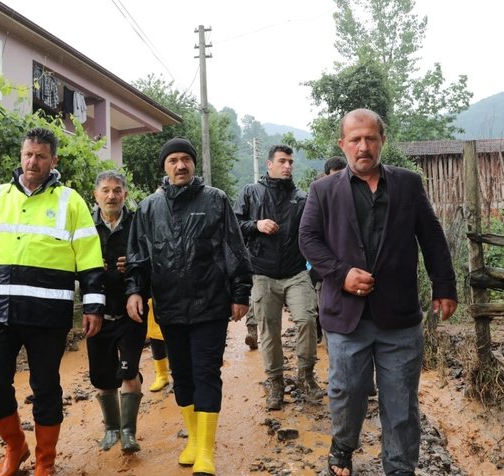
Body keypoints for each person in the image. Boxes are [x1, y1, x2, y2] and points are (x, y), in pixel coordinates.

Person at [299, 108, 457, 476]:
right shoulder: (323, 190)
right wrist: (341, 274)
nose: (363, 146)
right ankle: (342, 446)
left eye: (370, 138)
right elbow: (308, 239)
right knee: (347, 392)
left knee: (401, 400)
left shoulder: (407, 184)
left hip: (398, 316)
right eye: (355, 140)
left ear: (382, 141)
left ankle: (399, 467)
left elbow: (431, 236)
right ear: (342, 144)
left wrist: (444, 285)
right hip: (346, 316)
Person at [0, 127, 105, 476]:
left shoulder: (70, 201)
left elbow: (89, 257)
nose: (33, 162)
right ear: (21, 156)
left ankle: (46, 461)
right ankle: (15, 446)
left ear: (53, 160)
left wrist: (93, 306)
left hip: (48, 316)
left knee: (45, 388)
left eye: (41, 156)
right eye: (28, 154)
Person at [125, 137, 252, 476]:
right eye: (173, 160)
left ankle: (206, 452)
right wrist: (135, 291)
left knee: (206, 372)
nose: (180, 165)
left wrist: (240, 292)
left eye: (186, 159)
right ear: (165, 167)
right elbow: (138, 256)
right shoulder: (149, 207)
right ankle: (194, 440)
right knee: (181, 375)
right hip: (169, 306)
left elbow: (234, 247)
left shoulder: (215, 200)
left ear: (194, 164)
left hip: (210, 304)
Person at [234, 144, 323, 411]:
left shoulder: (301, 198)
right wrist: (256, 225)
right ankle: (275, 383)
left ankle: (305, 375)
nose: (287, 166)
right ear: (269, 164)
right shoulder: (250, 192)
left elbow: (314, 232)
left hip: (296, 272)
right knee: (269, 330)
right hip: (262, 274)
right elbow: (234, 226)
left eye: (290, 162)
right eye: (282, 161)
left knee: (307, 319)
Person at [88, 170, 146, 454]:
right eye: (106, 190)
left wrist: (133, 265)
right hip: (97, 312)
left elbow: (149, 259)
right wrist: (89, 267)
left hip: (130, 312)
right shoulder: (86, 226)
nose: (111, 196)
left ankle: (128, 432)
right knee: (102, 376)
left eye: (117, 191)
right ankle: (111, 428)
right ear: (95, 195)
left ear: (125, 194)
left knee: (129, 372)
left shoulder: (137, 224)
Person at [311, 155, 349, 345]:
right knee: (329, 320)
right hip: (324, 274)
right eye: (334, 176)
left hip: (353, 274)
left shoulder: (358, 198)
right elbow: (308, 239)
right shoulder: (317, 201)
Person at [145, 300, 171, 392]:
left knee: (173, 340)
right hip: (152, 303)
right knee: (155, 337)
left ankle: (180, 376)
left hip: (170, 304)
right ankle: (161, 375)